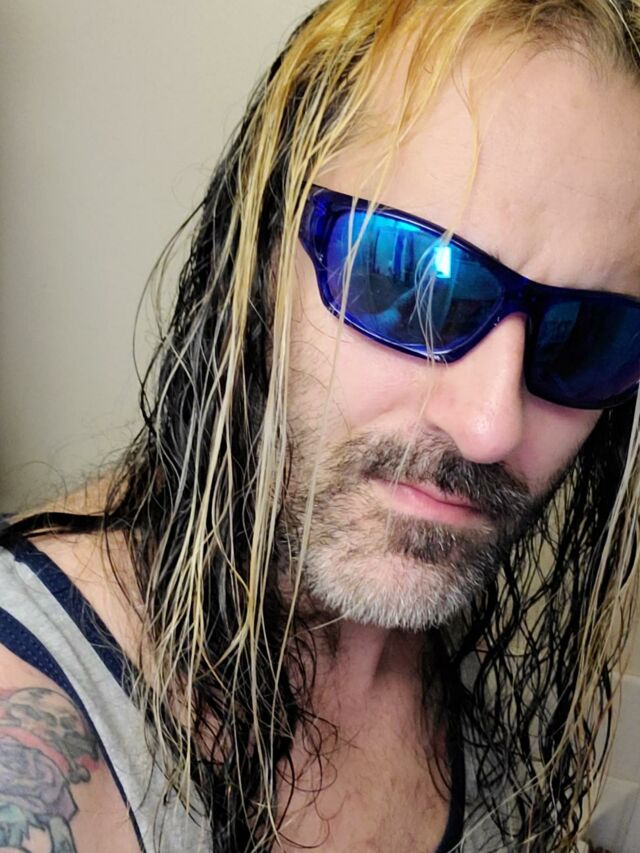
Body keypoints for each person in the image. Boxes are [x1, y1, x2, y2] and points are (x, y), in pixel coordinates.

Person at [1, 0, 640, 850]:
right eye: (410, 277)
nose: (491, 426)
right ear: (261, 252)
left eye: (588, 337)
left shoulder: (487, 695)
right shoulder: (32, 719)